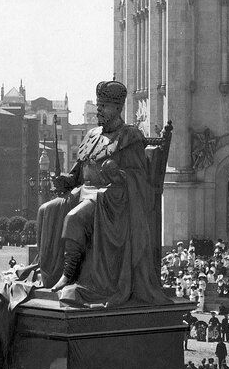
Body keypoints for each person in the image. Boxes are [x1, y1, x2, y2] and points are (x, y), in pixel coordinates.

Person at [34, 80, 168, 306]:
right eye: (98, 104)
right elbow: (78, 171)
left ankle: (68, 274)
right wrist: (66, 180)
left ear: (117, 108)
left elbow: (138, 179)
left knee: (74, 218)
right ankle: (48, 271)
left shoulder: (130, 136)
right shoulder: (92, 134)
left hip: (108, 197)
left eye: (104, 105)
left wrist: (117, 174)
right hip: (81, 191)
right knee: (45, 210)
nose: (98, 110)